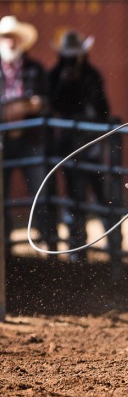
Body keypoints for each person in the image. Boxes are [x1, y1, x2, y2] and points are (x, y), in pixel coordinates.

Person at [48, 30, 110, 256]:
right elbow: (53, 104)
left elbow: (104, 107)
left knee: (101, 194)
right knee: (75, 196)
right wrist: (65, 84)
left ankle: (113, 248)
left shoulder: (91, 75)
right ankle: (77, 250)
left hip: (91, 142)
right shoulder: (56, 75)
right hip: (69, 146)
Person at [0, 15, 55, 247]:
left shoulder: (35, 69)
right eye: (6, 37)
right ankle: (5, 247)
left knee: (39, 194)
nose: (10, 42)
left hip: (30, 138)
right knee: (2, 197)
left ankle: (46, 243)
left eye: (14, 37)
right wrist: (22, 105)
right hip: (3, 141)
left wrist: (30, 105)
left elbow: (47, 102)